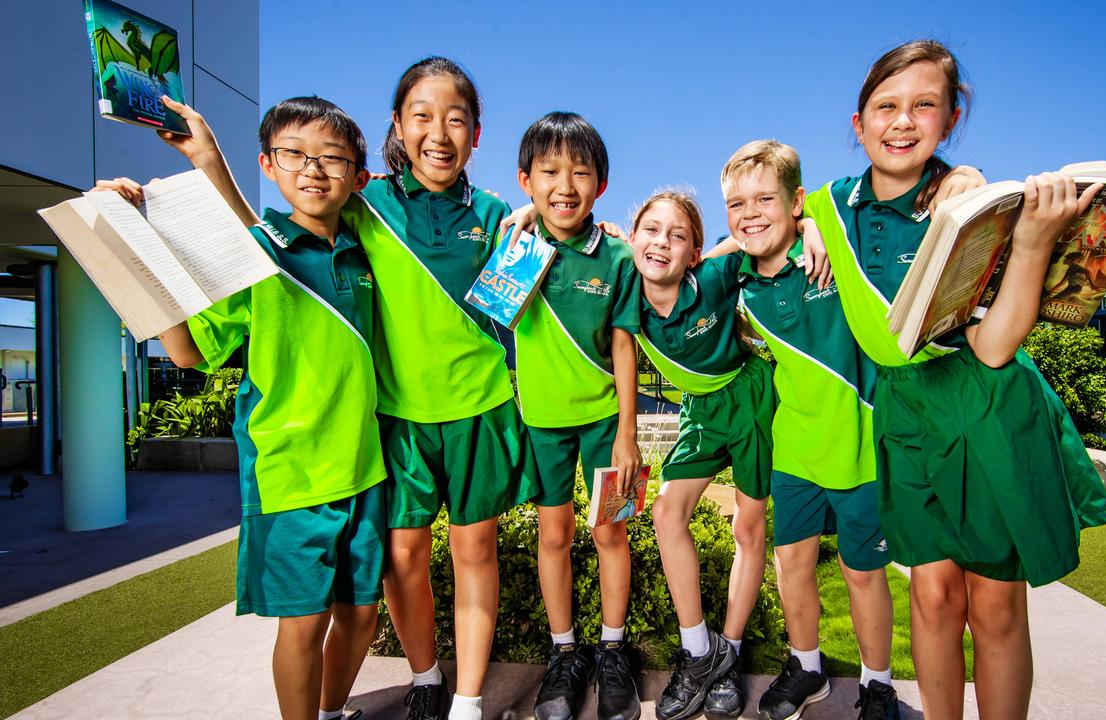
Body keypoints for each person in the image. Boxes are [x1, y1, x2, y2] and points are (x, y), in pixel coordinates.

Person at [802, 40, 1106, 720]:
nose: (902, 121)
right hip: (907, 415)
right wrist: (808, 223)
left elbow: (996, 343)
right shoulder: (832, 207)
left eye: (924, 105)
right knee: (932, 594)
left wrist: (1031, 242)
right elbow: (771, 217)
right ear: (857, 125)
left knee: (995, 602)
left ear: (949, 121)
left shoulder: (975, 204)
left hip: (985, 407)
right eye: (885, 106)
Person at [97, 95, 385, 720]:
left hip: (366, 468)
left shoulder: (365, 252)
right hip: (289, 473)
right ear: (268, 164)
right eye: (295, 155)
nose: (313, 169)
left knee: (361, 617)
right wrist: (135, 238)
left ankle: (332, 712)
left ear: (358, 178)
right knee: (303, 626)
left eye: (332, 158)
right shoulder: (255, 263)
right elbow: (186, 352)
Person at [337, 56, 542, 720]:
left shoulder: (498, 217)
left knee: (475, 550)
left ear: (476, 134)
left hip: (479, 411)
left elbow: (575, 254)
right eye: (422, 116)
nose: (439, 133)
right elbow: (282, 217)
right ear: (398, 124)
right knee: (403, 559)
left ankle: (469, 698)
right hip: (399, 418)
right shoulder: (366, 206)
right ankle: (426, 677)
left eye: (456, 119)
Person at [710, 140, 901, 720]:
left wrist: (816, 221)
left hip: (860, 447)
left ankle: (877, 684)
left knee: (861, 574)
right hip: (794, 448)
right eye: (737, 203)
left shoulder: (832, 253)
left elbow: (858, 201)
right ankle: (806, 666)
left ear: (795, 201)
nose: (750, 213)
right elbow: (688, 257)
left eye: (765, 198)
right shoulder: (737, 277)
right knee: (791, 564)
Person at [627, 189, 816, 720]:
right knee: (666, 512)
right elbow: (569, 240)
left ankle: (729, 651)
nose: (662, 241)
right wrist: (526, 212)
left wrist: (812, 224)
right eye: (652, 229)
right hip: (701, 410)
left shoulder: (712, 276)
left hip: (750, 395)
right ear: (633, 237)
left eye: (679, 235)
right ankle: (698, 652)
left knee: (748, 528)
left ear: (695, 253)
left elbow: (755, 233)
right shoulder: (624, 287)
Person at [512, 112, 643, 720]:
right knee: (553, 536)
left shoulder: (618, 256)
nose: (565, 185)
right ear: (526, 181)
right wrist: (524, 222)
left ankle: (612, 651)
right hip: (542, 424)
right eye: (550, 172)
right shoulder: (514, 244)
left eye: (581, 172)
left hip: (605, 428)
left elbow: (623, 346)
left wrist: (627, 433)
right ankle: (565, 654)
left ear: (601, 185)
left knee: (610, 530)